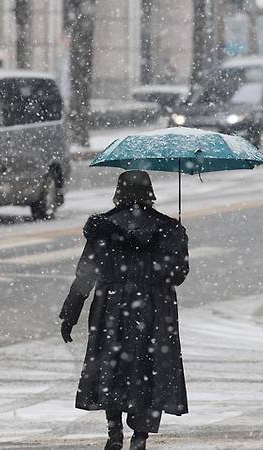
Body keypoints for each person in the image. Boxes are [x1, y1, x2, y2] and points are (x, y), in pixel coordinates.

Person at [60, 171, 190, 450]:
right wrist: (178, 239)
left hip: (111, 310)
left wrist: (71, 313)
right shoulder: (167, 229)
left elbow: (85, 276)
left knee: (112, 369)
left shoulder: (103, 229)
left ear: (118, 193)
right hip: (154, 312)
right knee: (149, 371)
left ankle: (114, 432)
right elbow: (178, 275)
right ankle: (140, 437)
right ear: (150, 193)